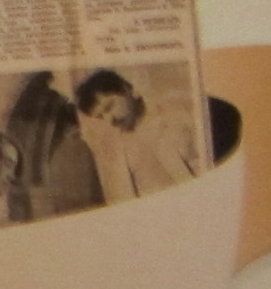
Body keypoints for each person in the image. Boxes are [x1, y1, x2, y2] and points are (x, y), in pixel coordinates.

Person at [73, 69, 198, 202]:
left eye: (109, 107)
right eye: (101, 117)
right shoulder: (117, 151)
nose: (110, 119)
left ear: (126, 89)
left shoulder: (174, 115)